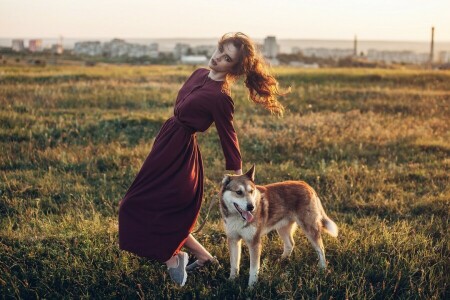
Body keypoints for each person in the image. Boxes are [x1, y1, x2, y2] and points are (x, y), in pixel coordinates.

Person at [118, 32, 286, 286]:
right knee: (149, 204)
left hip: (181, 155)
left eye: (227, 58)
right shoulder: (198, 73)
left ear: (235, 67)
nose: (218, 58)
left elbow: (228, 136)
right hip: (166, 144)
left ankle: (173, 260)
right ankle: (205, 257)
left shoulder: (221, 97)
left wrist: (237, 179)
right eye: (220, 51)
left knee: (135, 205)